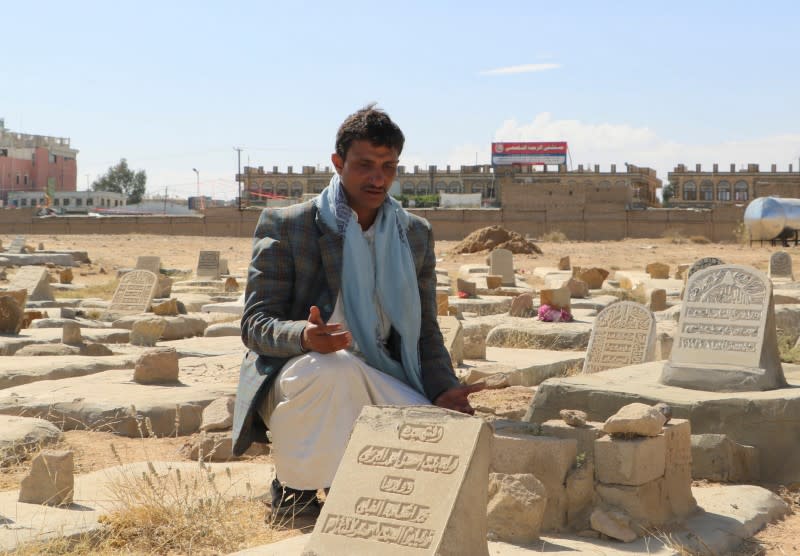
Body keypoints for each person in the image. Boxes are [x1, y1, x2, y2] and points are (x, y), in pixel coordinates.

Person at [232, 104, 484, 519]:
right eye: (365, 165)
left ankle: (352, 484)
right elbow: (255, 324)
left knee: (446, 437)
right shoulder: (289, 225)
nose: (378, 177)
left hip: (383, 372)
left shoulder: (414, 234)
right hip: (301, 376)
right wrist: (303, 336)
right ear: (338, 162)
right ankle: (295, 491)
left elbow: (423, 330)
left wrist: (443, 387)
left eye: (388, 166)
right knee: (332, 369)